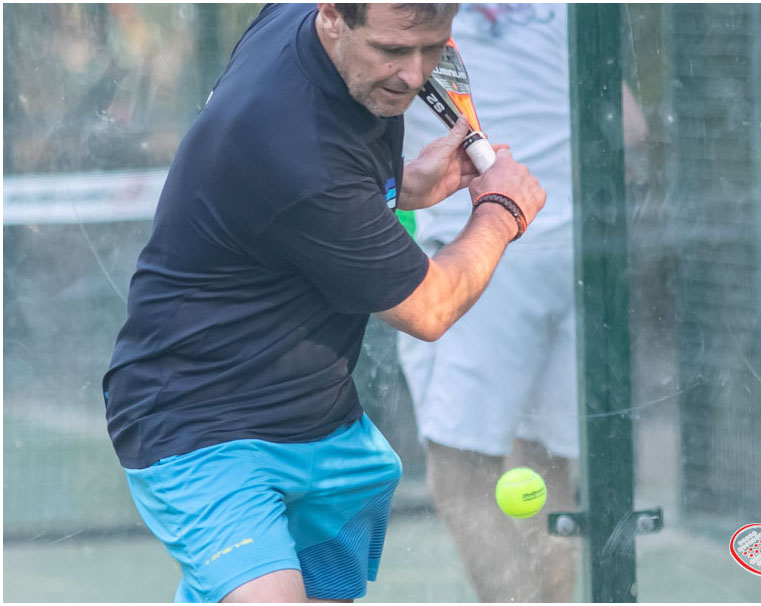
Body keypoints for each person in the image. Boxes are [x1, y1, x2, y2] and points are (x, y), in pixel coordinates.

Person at [102, 3, 546, 603]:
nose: (415, 75)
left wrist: (399, 182)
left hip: (323, 427)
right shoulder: (294, 145)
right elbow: (429, 309)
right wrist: (501, 210)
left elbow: (304, 199)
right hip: (196, 421)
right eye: (392, 51)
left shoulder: (295, 21)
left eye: (434, 47)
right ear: (334, 15)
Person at [398, 4, 648, 602]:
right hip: (579, 252)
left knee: (460, 473)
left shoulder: (405, 13)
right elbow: (633, 128)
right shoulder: (569, 9)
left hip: (485, 246)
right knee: (544, 469)